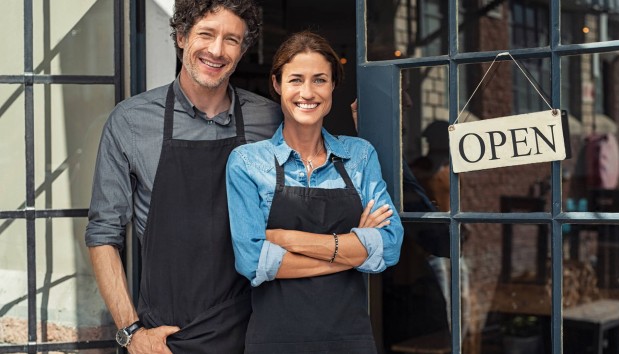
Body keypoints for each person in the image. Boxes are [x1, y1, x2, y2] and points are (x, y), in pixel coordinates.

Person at [84, 1, 282, 353]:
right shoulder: (130, 122)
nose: (217, 50)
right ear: (180, 36)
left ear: (243, 50)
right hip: (166, 338)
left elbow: (315, 179)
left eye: (231, 40)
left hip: (255, 329)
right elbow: (103, 234)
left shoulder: (269, 120)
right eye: (206, 34)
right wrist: (131, 333)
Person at [226, 31, 404, 354]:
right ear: (277, 85)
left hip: (350, 340)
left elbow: (390, 245)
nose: (307, 92)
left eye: (319, 80)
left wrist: (288, 239)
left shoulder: (360, 156)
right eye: (296, 80)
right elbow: (253, 261)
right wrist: (352, 253)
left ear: (333, 85)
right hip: (275, 343)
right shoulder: (248, 163)